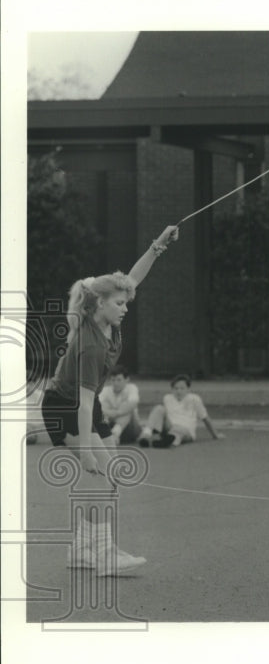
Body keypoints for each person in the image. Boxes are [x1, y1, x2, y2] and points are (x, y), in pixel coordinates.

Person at [40, 225, 178, 576]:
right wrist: (86, 449)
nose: (125, 308)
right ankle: (104, 555)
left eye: (126, 302)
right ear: (98, 303)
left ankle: (82, 550)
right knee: (101, 474)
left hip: (84, 404)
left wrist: (157, 245)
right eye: (119, 304)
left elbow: (132, 279)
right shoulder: (89, 343)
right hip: (64, 405)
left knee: (111, 472)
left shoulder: (109, 322)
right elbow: (84, 404)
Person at [138, 374, 223, 447]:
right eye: (176, 388)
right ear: (172, 389)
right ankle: (146, 435)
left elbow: (205, 418)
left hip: (186, 430)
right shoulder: (167, 398)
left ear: (188, 389)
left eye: (182, 388)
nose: (178, 391)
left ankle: (167, 442)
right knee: (159, 408)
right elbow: (161, 417)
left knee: (178, 431)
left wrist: (215, 435)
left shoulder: (194, 399)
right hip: (170, 427)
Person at [98, 365, 141, 445]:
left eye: (119, 380)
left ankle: (114, 435)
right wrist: (114, 412)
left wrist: (116, 413)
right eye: (113, 380)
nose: (115, 383)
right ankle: (108, 435)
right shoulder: (105, 390)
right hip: (109, 424)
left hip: (130, 429)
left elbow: (133, 404)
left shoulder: (132, 388)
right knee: (104, 405)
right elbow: (98, 407)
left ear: (127, 379)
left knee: (128, 409)